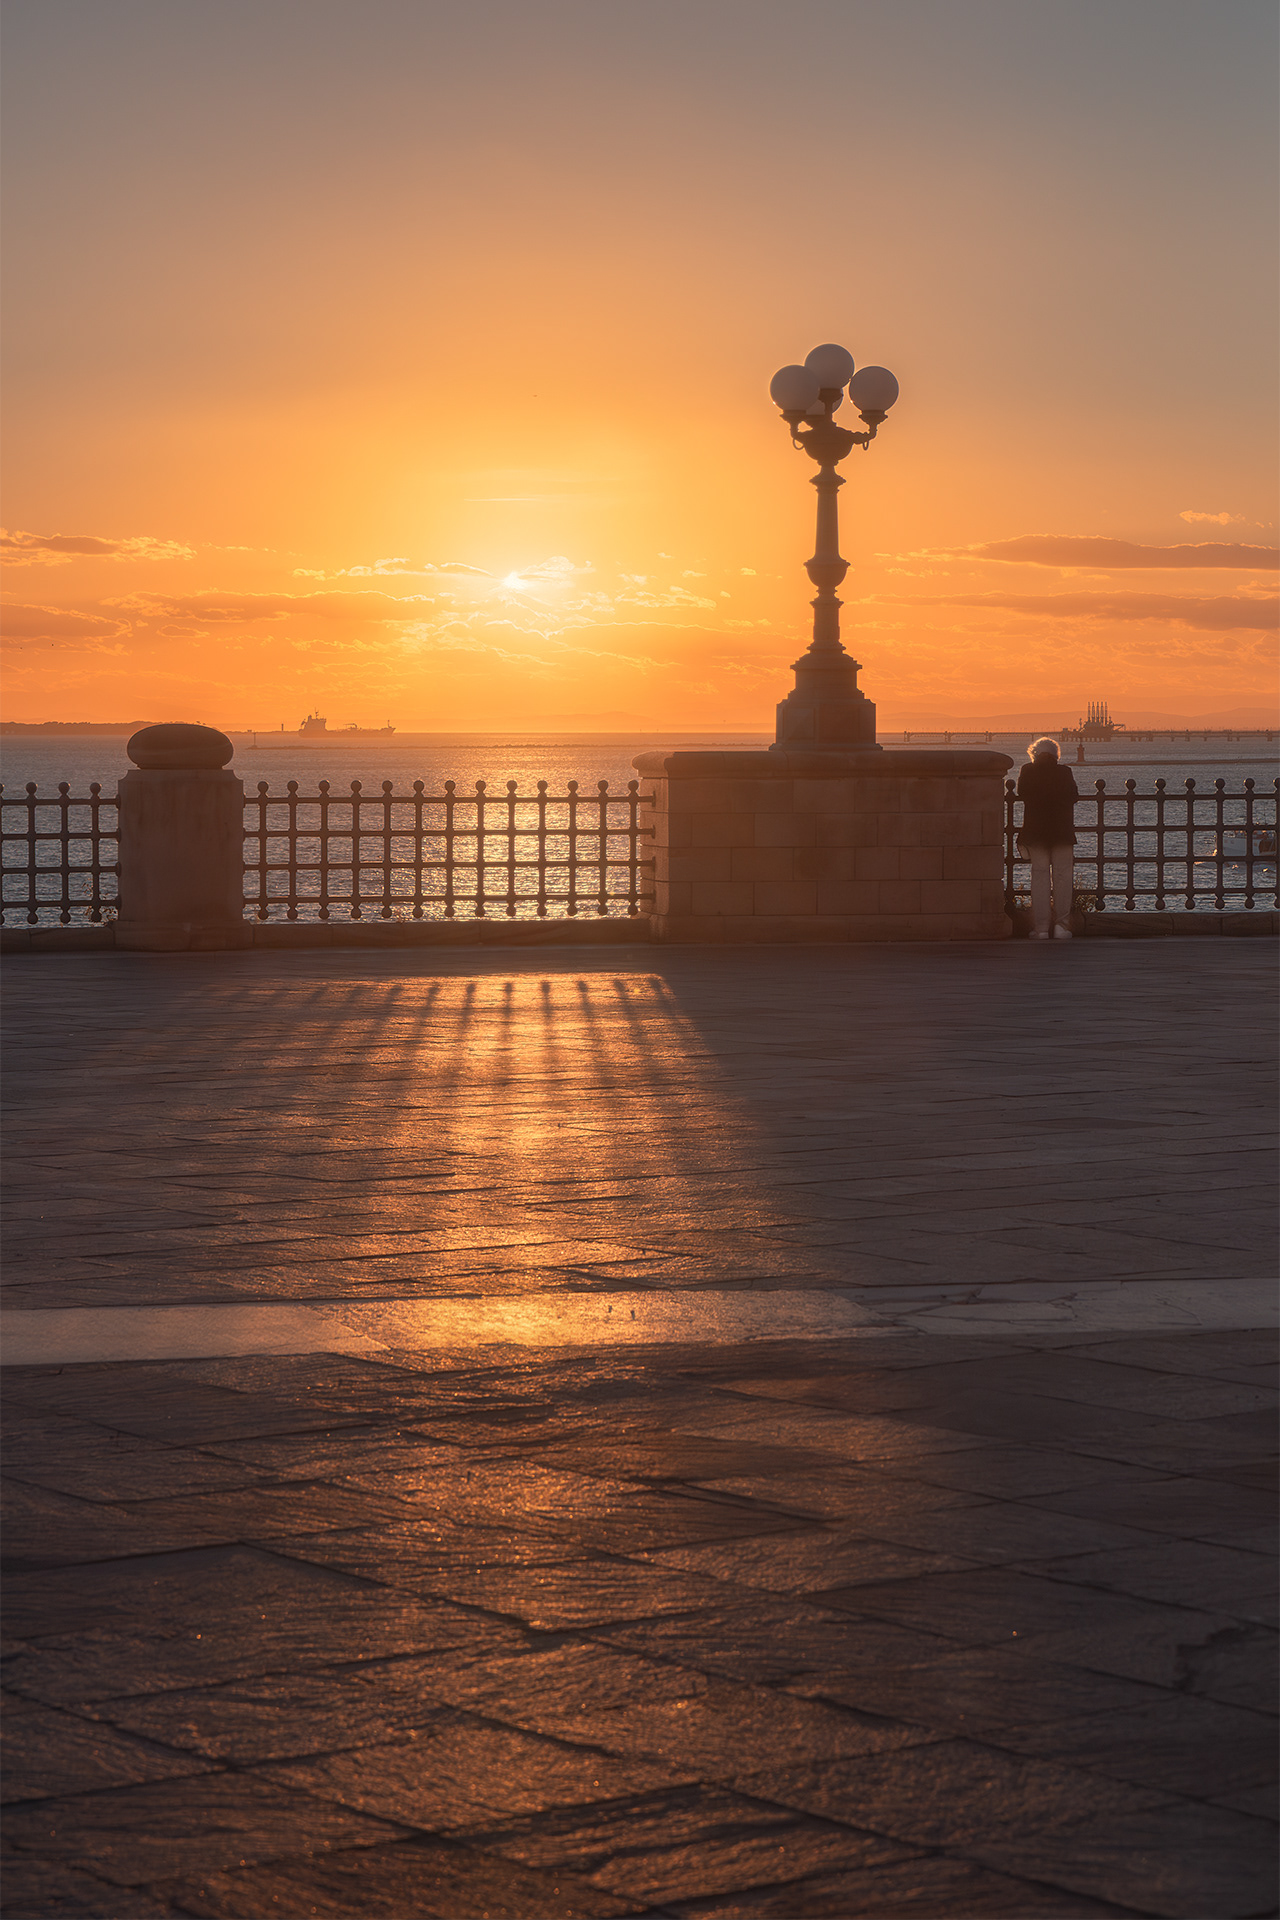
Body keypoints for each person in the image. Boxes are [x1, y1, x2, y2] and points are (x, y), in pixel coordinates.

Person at [1017, 737, 1079, 939]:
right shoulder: (1065, 772)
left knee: (1040, 878)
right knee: (1063, 877)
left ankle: (1042, 927)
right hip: (1061, 833)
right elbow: (1073, 796)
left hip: (1036, 833)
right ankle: (1062, 926)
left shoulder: (1027, 770)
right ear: (1056, 755)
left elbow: (1022, 792)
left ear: (1034, 754)